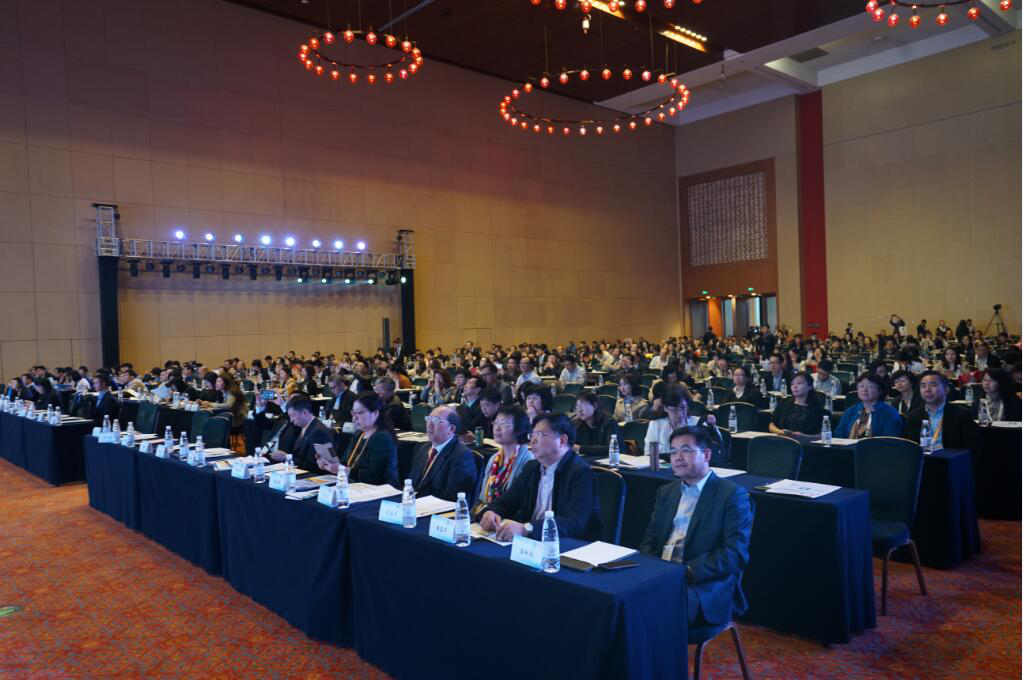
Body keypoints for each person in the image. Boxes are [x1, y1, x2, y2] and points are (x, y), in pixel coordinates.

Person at [639, 426, 753, 626]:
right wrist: (653, 568)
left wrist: (687, 572)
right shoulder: (666, 491)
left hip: (703, 583)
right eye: (673, 451)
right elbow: (651, 540)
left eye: (686, 450)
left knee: (653, 606)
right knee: (617, 597)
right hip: (662, 573)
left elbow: (735, 554)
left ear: (706, 454)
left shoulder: (732, 495)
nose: (677, 457)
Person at [480, 413, 601, 541]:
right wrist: (491, 512)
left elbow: (574, 523)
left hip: (569, 545)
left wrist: (526, 529)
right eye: (532, 435)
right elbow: (506, 502)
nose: (532, 441)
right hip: (532, 543)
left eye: (540, 435)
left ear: (562, 440)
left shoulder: (580, 473)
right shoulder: (531, 468)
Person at [319, 392, 398, 487]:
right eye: (353, 413)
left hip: (377, 491)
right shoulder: (359, 433)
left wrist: (341, 470)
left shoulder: (382, 438)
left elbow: (374, 477)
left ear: (375, 413)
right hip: (353, 486)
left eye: (360, 413)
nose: (354, 419)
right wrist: (329, 464)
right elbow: (346, 463)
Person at [473, 405, 534, 515]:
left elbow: (521, 505)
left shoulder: (528, 461)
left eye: (504, 424)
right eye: (496, 423)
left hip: (510, 518)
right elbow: (482, 498)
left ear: (519, 429)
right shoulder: (494, 458)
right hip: (488, 514)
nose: (497, 428)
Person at [408, 406, 477, 501]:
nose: (429, 425)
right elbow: (411, 484)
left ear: (451, 429)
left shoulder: (462, 456)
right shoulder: (422, 448)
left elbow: (452, 498)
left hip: (436, 507)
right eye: (428, 419)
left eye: (436, 420)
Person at [645, 388, 727, 465]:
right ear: (665, 408)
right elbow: (648, 454)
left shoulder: (699, 423)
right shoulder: (655, 425)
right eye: (674, 409)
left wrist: (712, 426)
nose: (680, 412)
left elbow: (716, 450)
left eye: (683, 407)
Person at [905, 371, 980, 452]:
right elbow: (911, 447)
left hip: (951, 459)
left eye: (933, 385)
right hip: (924, 459)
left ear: (946, 390)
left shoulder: (961, 414)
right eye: (923, 386)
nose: (927, 389)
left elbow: (973, 448)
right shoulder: (914, 416)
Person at [268, 393, 334, 472]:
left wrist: (287, 457)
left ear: (304, 412)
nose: (291, 420)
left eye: (293, 415)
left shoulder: (318, 432)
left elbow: (317, 467)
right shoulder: (306, 426)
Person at [834, 373, 903, 439]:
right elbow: (839, 435)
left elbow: (889, 440)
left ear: (880, 391)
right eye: (861, 386)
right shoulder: (850, 411)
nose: (864, 390)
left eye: (870, 386)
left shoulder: (890, 414)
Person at [769, 371, 827, 436]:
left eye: (799, 383)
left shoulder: (817, 408)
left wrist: (804, 437)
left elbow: (822, 434)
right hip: (783, 439)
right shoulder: (784, 402)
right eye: (792, 384)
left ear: (810, 386)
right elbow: (771, 425)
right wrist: (782, 432)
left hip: (807, 441)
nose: (795, 386)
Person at [571, 392, 622, 457]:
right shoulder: (577, 424)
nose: (579, 410)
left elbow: (611, 448)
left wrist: (580, 448)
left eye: (583, 405)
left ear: (595, 406)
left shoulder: (609, 423)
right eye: (578, 406)